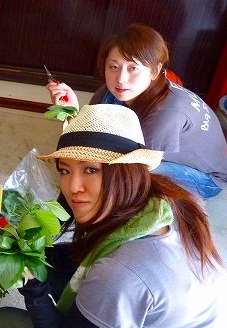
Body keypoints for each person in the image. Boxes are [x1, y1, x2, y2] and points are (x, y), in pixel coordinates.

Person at [0, 104, 227, 328]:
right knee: (56, 260)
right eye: (65, 170)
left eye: (90, 169)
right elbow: (72, 256)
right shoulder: (165, 203)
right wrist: (31, 247)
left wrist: (31, 283)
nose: (72, 186)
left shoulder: (123, 270)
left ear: (128, 171)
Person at [46, 23, 227, 199]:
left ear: (155, 71)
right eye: (114, 66)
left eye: (133, 68)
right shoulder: (112, 92)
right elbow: (89, 138)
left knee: (122, 179)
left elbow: (129, 166)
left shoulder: (167, 113)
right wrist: (70, 110)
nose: (121, 79)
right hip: (155, 151)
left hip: (208, 178)